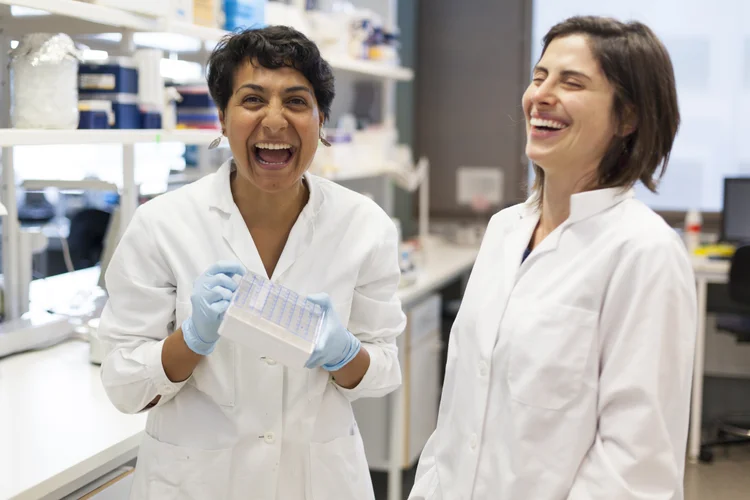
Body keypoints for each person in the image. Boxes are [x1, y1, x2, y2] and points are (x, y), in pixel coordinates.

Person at [98, 26, 406, 500]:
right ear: (222, 118)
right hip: (195, 482)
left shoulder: (364, 226)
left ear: (321, 120)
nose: (275, 120)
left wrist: (346, 354)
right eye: (253, 99)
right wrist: (192, 339)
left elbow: (383, 370)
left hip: (316, 480)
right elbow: (123, 383)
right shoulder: (162, 224)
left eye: (298, 101)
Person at [409, 16, 697, 500]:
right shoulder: (505, 230)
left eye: (572, 82)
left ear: (627, 118)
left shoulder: (644, 252)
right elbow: (459, 413)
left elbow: (635, 466)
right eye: (539, 76)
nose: (540, 94)